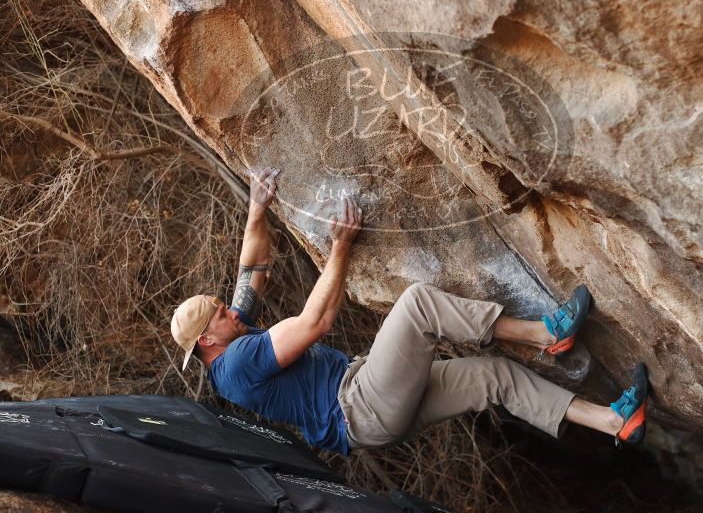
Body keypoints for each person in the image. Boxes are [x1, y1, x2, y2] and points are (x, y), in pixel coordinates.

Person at [170, 167, 649, 456]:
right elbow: (317, 323)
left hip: (368, 406)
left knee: (493, 378)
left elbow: (250, 272)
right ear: (208, 341)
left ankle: (614, 422)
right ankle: (547, 334)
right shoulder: (237, 363)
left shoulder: (227, 346)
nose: (230, 310)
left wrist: (257, 212)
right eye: (220, 314)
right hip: (358, 408)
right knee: (418, 304)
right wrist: (340, 247)